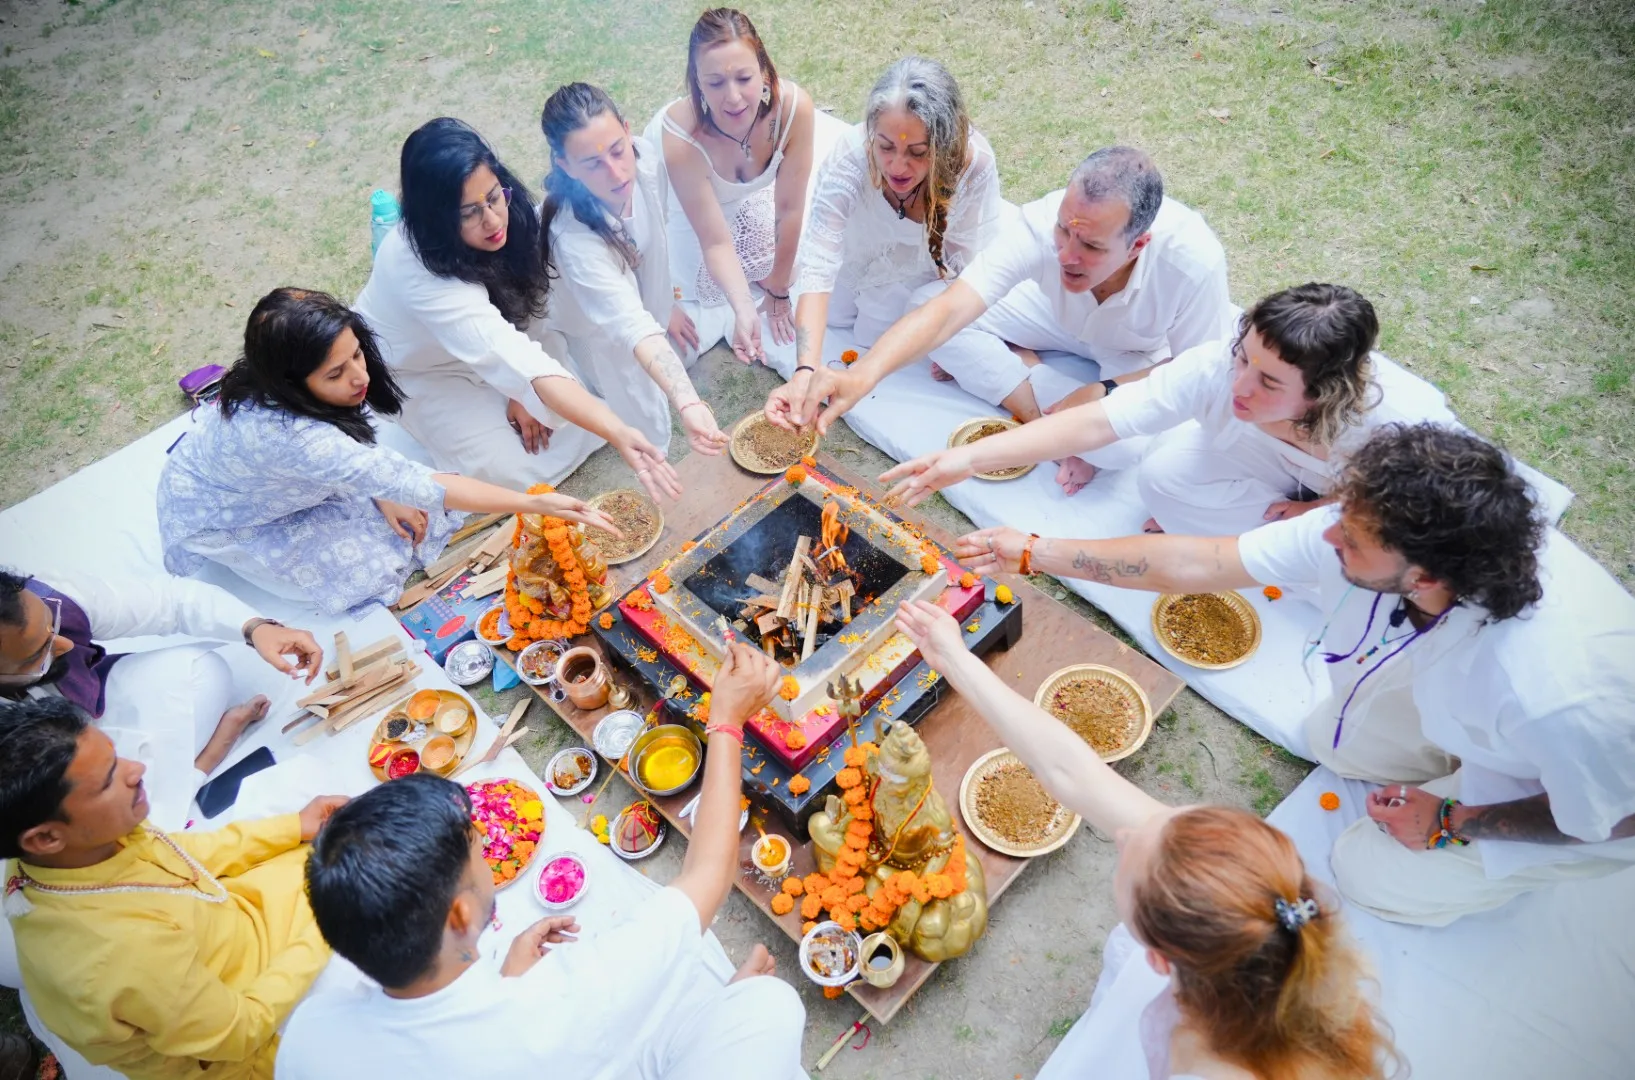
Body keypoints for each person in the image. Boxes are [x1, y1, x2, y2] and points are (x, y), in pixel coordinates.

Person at [953, 423, 1635, 926]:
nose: (1327, 535)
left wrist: (1454, 817)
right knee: (1334, 740)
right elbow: (1201, 562)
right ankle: (1452, 757)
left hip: (1577, 800)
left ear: (1424, 576)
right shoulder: (1391, 537)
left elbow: (1606, 821)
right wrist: (1036, 551)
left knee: (1364, 870)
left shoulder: (1558, 696)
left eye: (1352, 540)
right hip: (1468, 712)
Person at [892, 600, 1400, 1080]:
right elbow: (1075, 775)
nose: (1127, 829)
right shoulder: (1268, 926)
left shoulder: (1194, 1058)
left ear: (1155, 958)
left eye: (1125, 851)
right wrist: (955, 658)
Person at [278, 643, 804, 1080]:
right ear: (459, 915)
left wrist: (505, 978)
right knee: (767, 1006)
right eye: (478, 849)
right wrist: (727, 720)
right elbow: (707, 874)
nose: (485, 847)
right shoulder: (566, 997)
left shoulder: (309, 1038)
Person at [158, 288, 620, 615]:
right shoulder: (299, 439)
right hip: (227, 515)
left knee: (416, 513)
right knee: (373, 569)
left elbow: (386, 474)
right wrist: (532, 502)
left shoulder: (283, 392)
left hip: (280, 475)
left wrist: (382, 492)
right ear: (290, 381)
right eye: (335, 374)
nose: (360, 378)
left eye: (356, 355)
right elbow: (416, 482)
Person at [768, 146, 1233, 439]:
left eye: (1091, 246)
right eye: (1062, 233)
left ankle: (1033, 373)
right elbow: (950, 308)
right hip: (1051, 315)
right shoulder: (1040, 226)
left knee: (1123, 452)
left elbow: (1200, 371)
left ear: (1138, 245)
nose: (1068, 255)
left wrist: (1104, 388)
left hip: (1134, 351)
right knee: (923, 302)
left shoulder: (1192, 261)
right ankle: (1038, 412)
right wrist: (860, 376)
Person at [0, 697, 348, 1080]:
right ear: (46, 837)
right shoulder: (117, 953)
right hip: (251, 1040)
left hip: (235, 928)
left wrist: (293, 826)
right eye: (107, 780)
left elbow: (181, 854)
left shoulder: (71, 848)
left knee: (346, 842)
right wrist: (328, 914)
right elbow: (240, 1030)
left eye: (117, 758)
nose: (137, 770)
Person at [881, 283, 1445, 518]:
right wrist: (966, 459)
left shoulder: (1398, 428)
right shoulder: (1217, 369)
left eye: (1269, 382)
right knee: (1161, 480)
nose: (1239, 386)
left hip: (1352, 493)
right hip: (1255, 455)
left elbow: (1403, 507)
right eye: (1243, 358)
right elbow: (1098, 423)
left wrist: (1310, 513)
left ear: (1325, 392)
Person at [355, 117, 680, 499]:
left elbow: (524, 310)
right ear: (435, 221)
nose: (492, 220)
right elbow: (505, 351)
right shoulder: (418, 274)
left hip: (500, 339)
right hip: (426, 370)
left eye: (493, 197)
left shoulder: (508, 213)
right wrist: (615, 430)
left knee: (574, 414)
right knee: (510, 470)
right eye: (467, 214)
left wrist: (519, 392)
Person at [0, 565, 321, 836]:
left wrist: (256, 628)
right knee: (85, 818)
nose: (67, 645)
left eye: (52, 624)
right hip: (45, 779)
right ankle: (196, 771)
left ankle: (156, 795)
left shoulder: (50, 595)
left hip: (92, 706)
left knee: (201, 671)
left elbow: (170, 602)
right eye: (38, 654)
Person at [539, 82, 729, 456]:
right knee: (642, 419)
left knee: (682, 350)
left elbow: (655, 241)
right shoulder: (572, 239)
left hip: (642, 309)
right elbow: (629, 324)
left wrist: (665, 304)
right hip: (593, 327)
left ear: (627, 130)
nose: (615, 172)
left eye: (617, 150)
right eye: (593, 164)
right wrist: (689, 403)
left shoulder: (646, 159)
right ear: (565, 165)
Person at [788, 55, 1004, 375]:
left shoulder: (974, 167)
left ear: (945, 145)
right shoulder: (850, 158)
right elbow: (819, 265)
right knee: (829, 316)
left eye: (917, 152)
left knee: (874, 338)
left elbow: (966, 264)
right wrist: (804, 370)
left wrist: (950, 334)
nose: (897, 167)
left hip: (925, 265)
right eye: (886, 146)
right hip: (856, 249)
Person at [644, 7, 816, 367]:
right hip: (689, 199)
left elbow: (790, 210)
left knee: (792, 271)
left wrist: (778, 289)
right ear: (698, 82)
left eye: (744, 78)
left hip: (754, 201)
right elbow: (715, 240)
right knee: (693, 299)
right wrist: (744, 310)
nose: (733, 98)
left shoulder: (794, 111)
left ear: (765, 71)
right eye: (716, 83)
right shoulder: (680, 138)